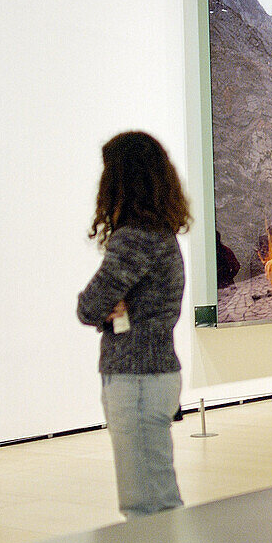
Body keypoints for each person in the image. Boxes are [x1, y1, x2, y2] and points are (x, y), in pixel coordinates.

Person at [77, 131, 192, 518]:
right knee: (154, 494)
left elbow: (89, 305)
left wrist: (104, 308)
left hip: (136, 378)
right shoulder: (160, 235)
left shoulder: (135, 239)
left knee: (147, 504)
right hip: (152, 372)